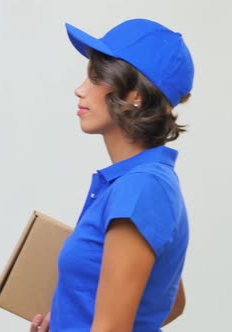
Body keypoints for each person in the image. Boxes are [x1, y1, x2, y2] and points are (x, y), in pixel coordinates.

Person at [30, 18, 194, 332]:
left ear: (136, 95)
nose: (80, 89)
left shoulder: (141, 188)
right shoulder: (137, 183)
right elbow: (171, 300)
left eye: (95, 77)